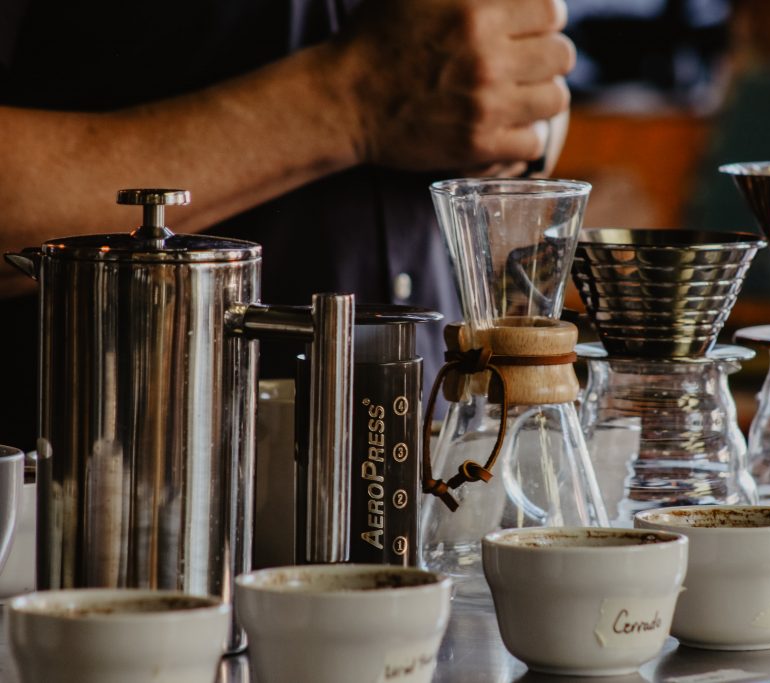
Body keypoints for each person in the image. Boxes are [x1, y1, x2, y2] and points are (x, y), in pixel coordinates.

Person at [0, 0, 576, 451]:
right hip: (103, 502)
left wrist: (514, 117)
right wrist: (353, 98)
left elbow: (516, 80)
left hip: (431, 477)